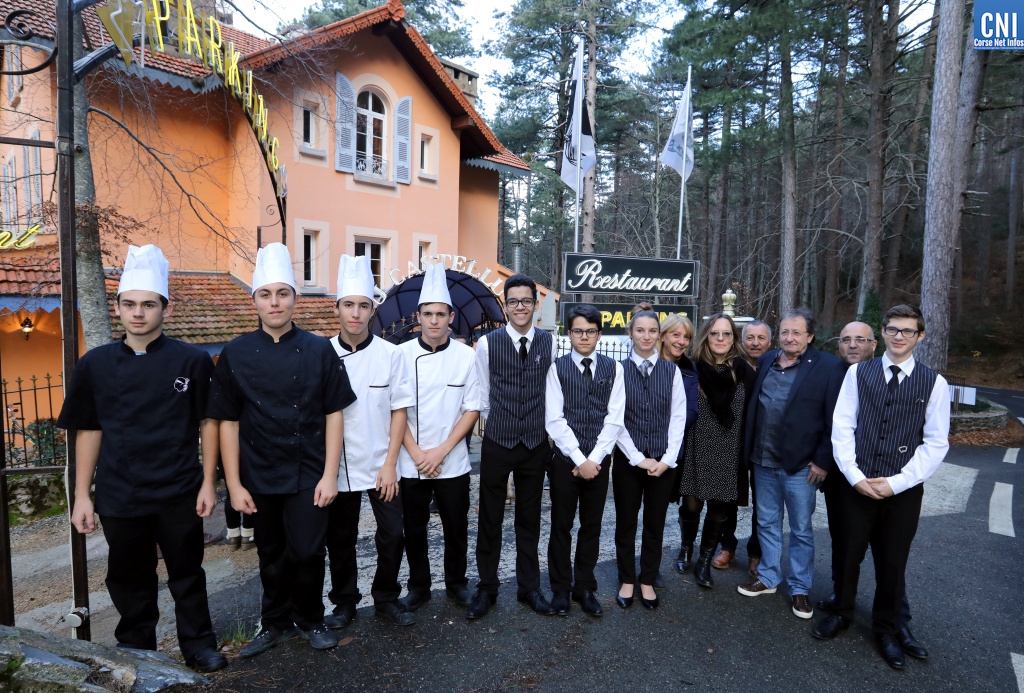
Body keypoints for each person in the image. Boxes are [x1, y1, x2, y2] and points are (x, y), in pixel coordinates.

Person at [58, 245, 226, 673]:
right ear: (117, 307)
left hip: (179, 489)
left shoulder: (191, 360)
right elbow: (88, 430)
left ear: (164, 309)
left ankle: (199, 645)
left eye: (148, 304)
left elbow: (209, 424)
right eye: (129, 304)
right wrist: (81, 495)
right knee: (129, 578)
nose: (138, 313)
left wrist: (209, 483)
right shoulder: (94, 365)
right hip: (119, 492)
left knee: (187, 572)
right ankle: (137, 649)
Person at [208, 243, 354, 656]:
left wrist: (329, 475)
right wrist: (233, 485)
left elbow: (334, 414)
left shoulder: (318, 349)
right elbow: (227, 423)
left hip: (309, 472)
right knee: (270, 552)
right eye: (266, 294)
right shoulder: (235, 353)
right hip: (258, 472)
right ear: (254, 300)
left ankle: (309, 618)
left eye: (283, 294)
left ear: (296, 299)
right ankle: (274, 623)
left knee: (308, 550)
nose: (275, 302)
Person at [813, 305, 949, 671]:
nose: (899, 336)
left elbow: (936, 443)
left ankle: (887, 629)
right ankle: (841, 613)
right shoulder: (858, 373)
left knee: (892, 561)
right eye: (892, 329)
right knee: (846, 553)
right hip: (854, 483)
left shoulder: (934, 383)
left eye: (907, 331)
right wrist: (855, 476)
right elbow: (842, 428)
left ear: (919, 336)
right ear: (884, 333)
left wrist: (896, 483)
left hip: (901, 491)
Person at [324, 255, 415, 628]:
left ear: (373, 309)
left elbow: (399, 411)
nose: (356, 314)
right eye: (349, 305)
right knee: (339, 540)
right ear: (338, 309)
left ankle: (386, 596)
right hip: (339, 466)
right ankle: (345, 601)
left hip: (383, 463)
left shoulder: (391, 355)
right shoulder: (321, 354)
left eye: (363, 306)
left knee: (394, 534)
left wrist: (391, 463)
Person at [737, 308, 845, 622]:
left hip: (801, 466)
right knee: (767, 523)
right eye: (785, 331)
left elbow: (834, 419)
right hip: (762, 460)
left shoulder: (827, 366)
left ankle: (800, 587)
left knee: (800, 530)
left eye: (797, 332)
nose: (789, 337)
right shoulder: (768, 360)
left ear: (809, 336)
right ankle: (769, 577)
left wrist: (823, 460)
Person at [468, 274, 558, 620]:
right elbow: (484, 393)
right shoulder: (489, 344)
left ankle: (529, 588)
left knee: (529, 519)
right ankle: (487, 588)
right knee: (489, 518)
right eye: (513, 301)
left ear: (535, 306)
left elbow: (552, 393)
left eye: (526, 301)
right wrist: (500, 427)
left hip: (535, 444)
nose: (520, 307)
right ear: (505, 305)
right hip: (498, 441)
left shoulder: (549, 343)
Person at [397, 263, 481, 611]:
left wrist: (442, 451)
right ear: (419, 316)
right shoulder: (399, 355)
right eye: (428, 313)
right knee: (413, 530)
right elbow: (393, 410)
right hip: (410, 458)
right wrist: (418, 454)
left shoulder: (466, 356)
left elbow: (472, 408)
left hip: (453, 460)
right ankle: (419, 586)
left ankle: (456, 583)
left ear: (450, 317)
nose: (434, 320)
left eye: (440, 314)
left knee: (456, 526)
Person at [545, 304, 625, 617]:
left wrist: (595, 459)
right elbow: (554, 419)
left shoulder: (613, 368)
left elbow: (615, 418)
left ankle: (584, 587)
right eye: (578, 330)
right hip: (565, 461)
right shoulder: (557, 368)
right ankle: (561, 589)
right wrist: (580, 458)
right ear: (569, 333)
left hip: (600, 460)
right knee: (561, 526)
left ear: (599, 334)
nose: (584, 336)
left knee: (591, 527)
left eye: (590, 331)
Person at [677, 313, 756, 590]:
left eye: (726, 334)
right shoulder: (692, 367)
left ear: (733, 338)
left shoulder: (744, 370)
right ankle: (686, 546)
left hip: (729, 449)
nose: (720, 339)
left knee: (720, 509)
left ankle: (704, 560)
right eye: (714, 333)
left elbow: (753, 413)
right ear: (706, 336)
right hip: (698, 447)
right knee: (691, 504)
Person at [614, 310, 686, 608]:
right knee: (626, 522)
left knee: (655, 524)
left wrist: (667, 459)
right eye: (640, 330)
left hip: (663, 463)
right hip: (628, 463)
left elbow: (678, 418)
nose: (646, 336)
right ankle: (627, 579)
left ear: (659, 334)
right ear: (630, 333)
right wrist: (636, 458)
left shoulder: (672, 372)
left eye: (652, 330)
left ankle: (647, 579)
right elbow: (614, 419)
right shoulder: (618, 370)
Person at [713, 319, 771, 575]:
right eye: (750, 337)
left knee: (764, 501)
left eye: (761, 338)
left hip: (763, 444)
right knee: (729, 497)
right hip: (732, 442)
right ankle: (727, 545)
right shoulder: (731, 366)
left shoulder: (775, 367)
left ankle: (757, 552)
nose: (755, 343)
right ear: (742, 340)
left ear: (770, 341)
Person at [659, 315, 699, 580]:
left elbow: (691, 411)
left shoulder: (689, 370)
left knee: (691, 505)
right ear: (663, 335)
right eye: (676, 335)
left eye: (686, 337)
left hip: (679, 447)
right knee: (654, 508)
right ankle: (649, 563)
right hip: (644, 448)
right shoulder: (645, 363)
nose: (682, 342)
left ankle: (686, 549)